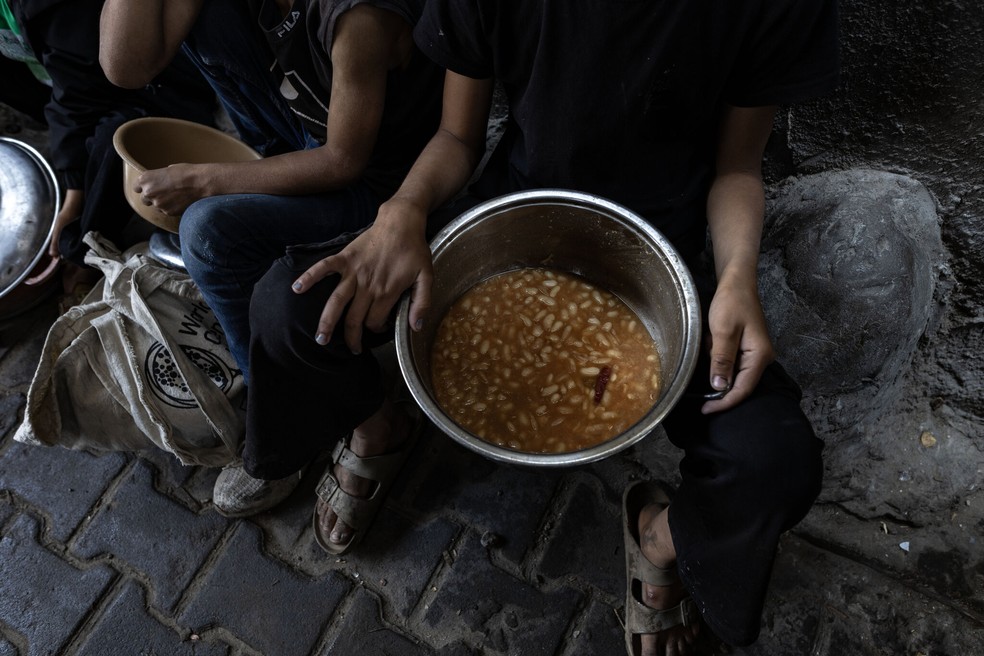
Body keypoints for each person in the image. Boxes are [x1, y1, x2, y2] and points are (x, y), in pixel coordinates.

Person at [258, 0, 839, 652]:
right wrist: (406, 209)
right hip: (509, 215)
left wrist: (737, 278)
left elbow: (736, 169)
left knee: (773, 460)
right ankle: (378, 423)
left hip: (663, 255)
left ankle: (659, 534)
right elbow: (456, 138)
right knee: (291, 307)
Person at [98, 0, 443, 521]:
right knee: (208, 19)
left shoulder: (357, 18)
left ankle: (348, 419)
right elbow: (125, 64)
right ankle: (287, 395)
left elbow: (343, 161)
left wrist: (204, 180)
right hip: (303, 124)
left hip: (383, 181)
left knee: (207, 232)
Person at [9, 0, 216, 272]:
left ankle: (87, 254)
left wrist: (74, 196)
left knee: (118, 143)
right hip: (85, 80)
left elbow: (85, 88)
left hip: (161, 85)